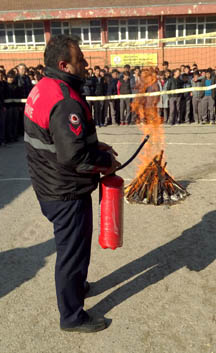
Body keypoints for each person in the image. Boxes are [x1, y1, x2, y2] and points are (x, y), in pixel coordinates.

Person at [24, 34, 121, 333]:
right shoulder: (65, 101)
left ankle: (77, 285)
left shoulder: (44, 87)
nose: (86, 63)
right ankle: (72, 315)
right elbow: (75, 158)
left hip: (49, 184)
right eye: (80, 59)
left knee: (74, 251)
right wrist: (106, 165)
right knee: (72, 254)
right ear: (64, 64)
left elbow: (61, 141)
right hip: (65, 192)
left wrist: (96, 145)